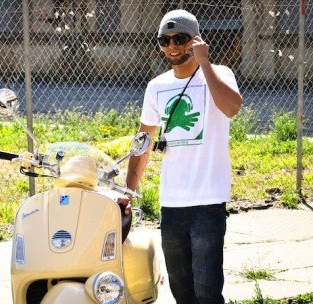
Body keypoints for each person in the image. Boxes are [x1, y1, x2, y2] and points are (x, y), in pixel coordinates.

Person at [118, 9, 243, 304]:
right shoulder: (156, 86)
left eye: (180, 38)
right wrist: (127, 191)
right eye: (165, 40)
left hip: (207, 201)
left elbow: (232, 108)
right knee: (182, 291)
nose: (172, 46)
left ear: (194, 40)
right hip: (171, 203)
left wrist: (204, 62)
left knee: (207, 291)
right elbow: (144, 141)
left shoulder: (219, 74)